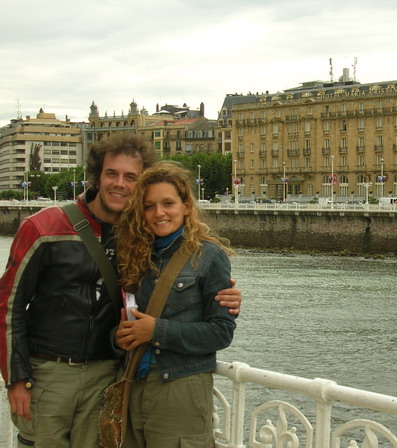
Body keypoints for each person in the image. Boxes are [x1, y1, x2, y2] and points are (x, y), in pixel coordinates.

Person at [0, 134, 243, 448]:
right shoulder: (44, 227)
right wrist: (16, 378)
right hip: (49, 373)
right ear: (97, 176)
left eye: (131, 177)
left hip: (107, 376)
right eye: (111, 173)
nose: (120, 184)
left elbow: (182, 284)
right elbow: (8, 306)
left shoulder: (138, 239)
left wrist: (227, 294)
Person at [114, 162, 236, 447]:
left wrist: (156, 330)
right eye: (149, 206)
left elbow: (220, 332)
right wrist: (120, 336)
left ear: (185, 205)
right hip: (134, 385)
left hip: (180, 386)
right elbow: (124, 324)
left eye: (167, 203)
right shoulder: (137, 256)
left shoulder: (209, 256)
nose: (159, 213)